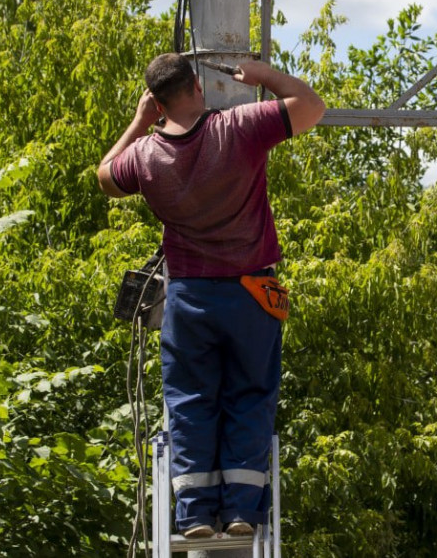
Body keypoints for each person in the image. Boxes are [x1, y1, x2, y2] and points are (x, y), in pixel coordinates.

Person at [97, 53, 325, 538]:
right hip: (250, 292)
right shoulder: (241, 126)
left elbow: (104, 176)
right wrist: (262, 76)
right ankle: (242, 510)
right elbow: (311, 105)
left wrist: (140, 122)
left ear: (158, 103)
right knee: (249, 395)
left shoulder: (145, 156)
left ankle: (196, 514)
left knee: (190, 402)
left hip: (188, 299)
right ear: (198, 85)